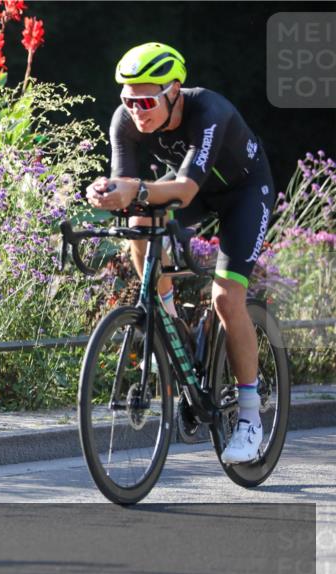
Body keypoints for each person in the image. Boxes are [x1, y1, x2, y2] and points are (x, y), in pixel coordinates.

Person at [85, 42, 275, 464]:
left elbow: (186, 188)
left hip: (244, 193)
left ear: (174, 91)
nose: (137, 110)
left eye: (146, 100)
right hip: (197, 193)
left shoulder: (209, 110)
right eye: (128, 100)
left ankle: (249, 417)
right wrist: (104, 191)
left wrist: (131, 190)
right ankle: (169, 320)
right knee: (138, 220)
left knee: (227, 299)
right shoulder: (125, 122)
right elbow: (127, 189)